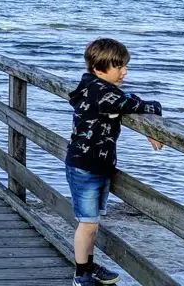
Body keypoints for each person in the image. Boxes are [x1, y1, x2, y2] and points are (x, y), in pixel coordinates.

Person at [65, 38, 163, 286]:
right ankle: (80, 275)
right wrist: (155, 110)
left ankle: (87, 265)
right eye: (118, 67)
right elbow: (135, 103)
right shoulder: (101, 93)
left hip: (98, 166)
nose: (124, 72)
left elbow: (126, 97)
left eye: (125, 66)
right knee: (87, 224)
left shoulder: (95, 86)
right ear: (99, 70)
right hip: (84, 167)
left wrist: (149, 128)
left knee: (93, 223)